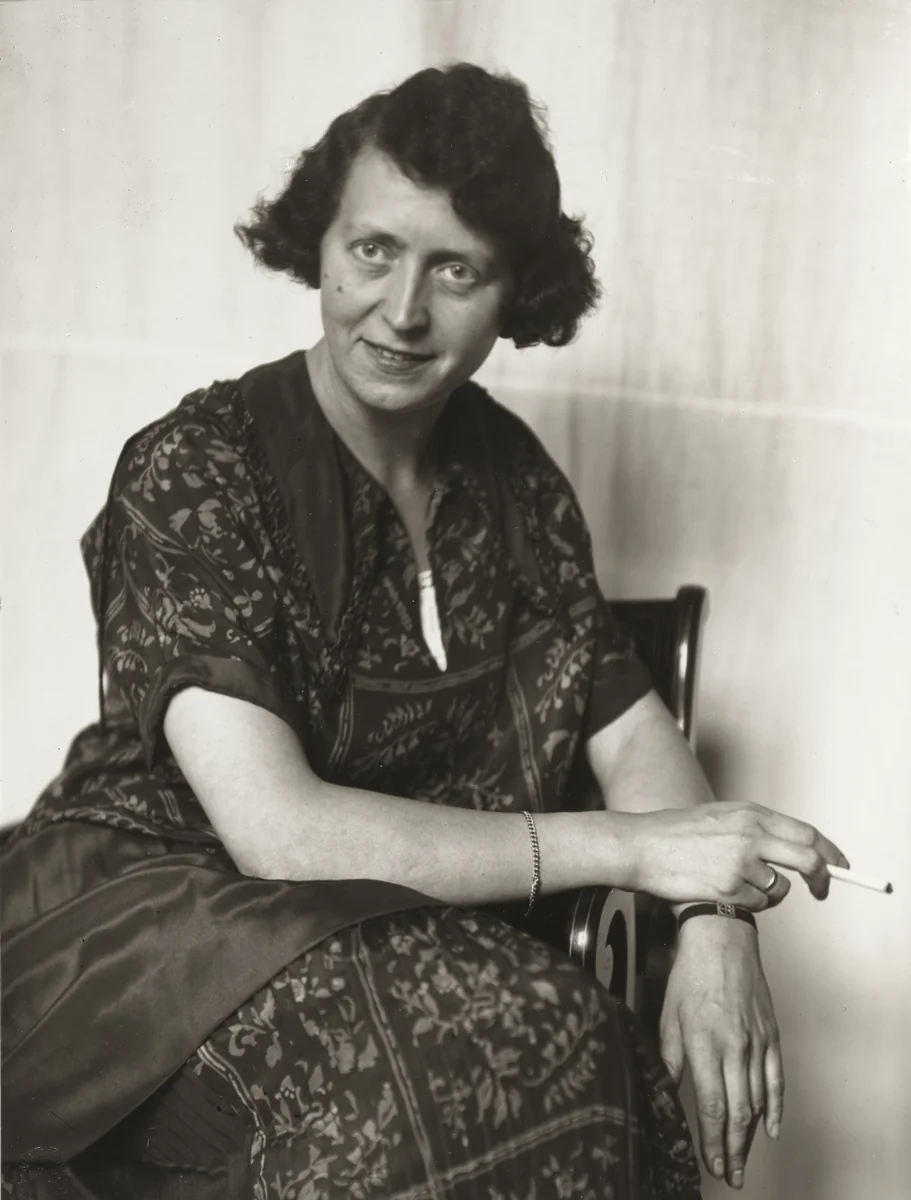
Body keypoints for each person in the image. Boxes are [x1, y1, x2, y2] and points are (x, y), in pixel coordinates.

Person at [1, 63, 848, 1199]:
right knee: (505, 1044)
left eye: (455, 269)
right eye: (372, 252)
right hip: (149, 924)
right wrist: (642, 850)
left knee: (551, 1035)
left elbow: (630, 731)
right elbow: (278, 836)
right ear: (319, 242)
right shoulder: (195, 466)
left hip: (381, 935)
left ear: (516, 293)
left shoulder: (518, 485)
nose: (401, 312)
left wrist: (710, 917)